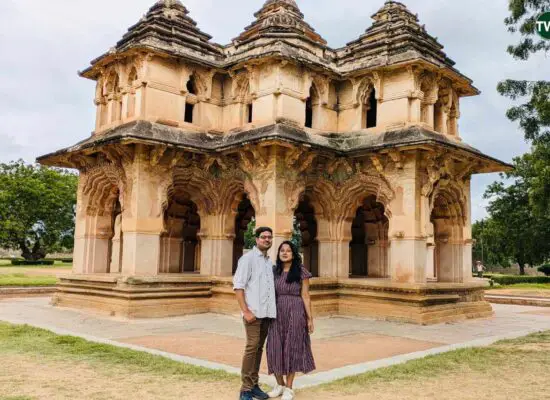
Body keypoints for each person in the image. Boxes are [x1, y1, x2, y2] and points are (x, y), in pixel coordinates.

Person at [266, 241, 316, 400]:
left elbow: (306, 296)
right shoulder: (274, 271)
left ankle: (289, 388)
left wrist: (310, 319)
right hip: (277, 312)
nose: (285, 253)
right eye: (282, 250)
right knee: (274, 347)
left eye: (288, 251)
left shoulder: (301, 272)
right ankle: (279, 384)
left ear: (294, 254)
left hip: (295, 311)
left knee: (292, 348)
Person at [233, 227, 277, 400]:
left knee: (259, 349)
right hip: (253, 314)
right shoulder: (248, 259)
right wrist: (245, 311)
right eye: (263, 237)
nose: (267, 240)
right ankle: (245, 389)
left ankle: (254, 384)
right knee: (252, 348)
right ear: (256, 239)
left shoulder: (268, 262)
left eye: (269, 237)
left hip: (266, 314)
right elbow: (238, 286)